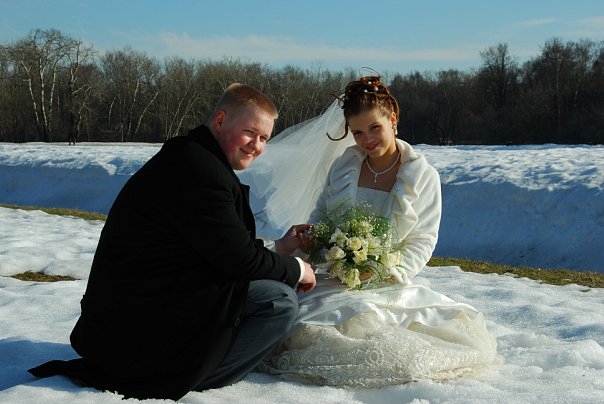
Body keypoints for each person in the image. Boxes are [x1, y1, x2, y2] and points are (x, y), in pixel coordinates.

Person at [28, 83, 317, 400]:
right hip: (140, 326)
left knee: (264, 287)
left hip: (144, 308)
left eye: (264, 138)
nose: (256, 146)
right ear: (221, 120)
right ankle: (193, 378)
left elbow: (221, 247)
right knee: (278, 301)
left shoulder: (193, 156)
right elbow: (239, 260)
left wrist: (279, 250)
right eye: (250, 132)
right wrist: (296, 268)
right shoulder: (199, 171)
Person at [239, 75, 498, 386]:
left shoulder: (422, 175)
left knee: (390, 342)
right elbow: (322, 218)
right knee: (304, 330)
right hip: (335, 278)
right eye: (358, 132)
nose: (367, 139)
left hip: (388, 282)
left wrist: (379, 270)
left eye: (375, 127)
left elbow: (423, 240)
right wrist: (317, 244)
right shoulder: (343, 167)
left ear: (393, 119)